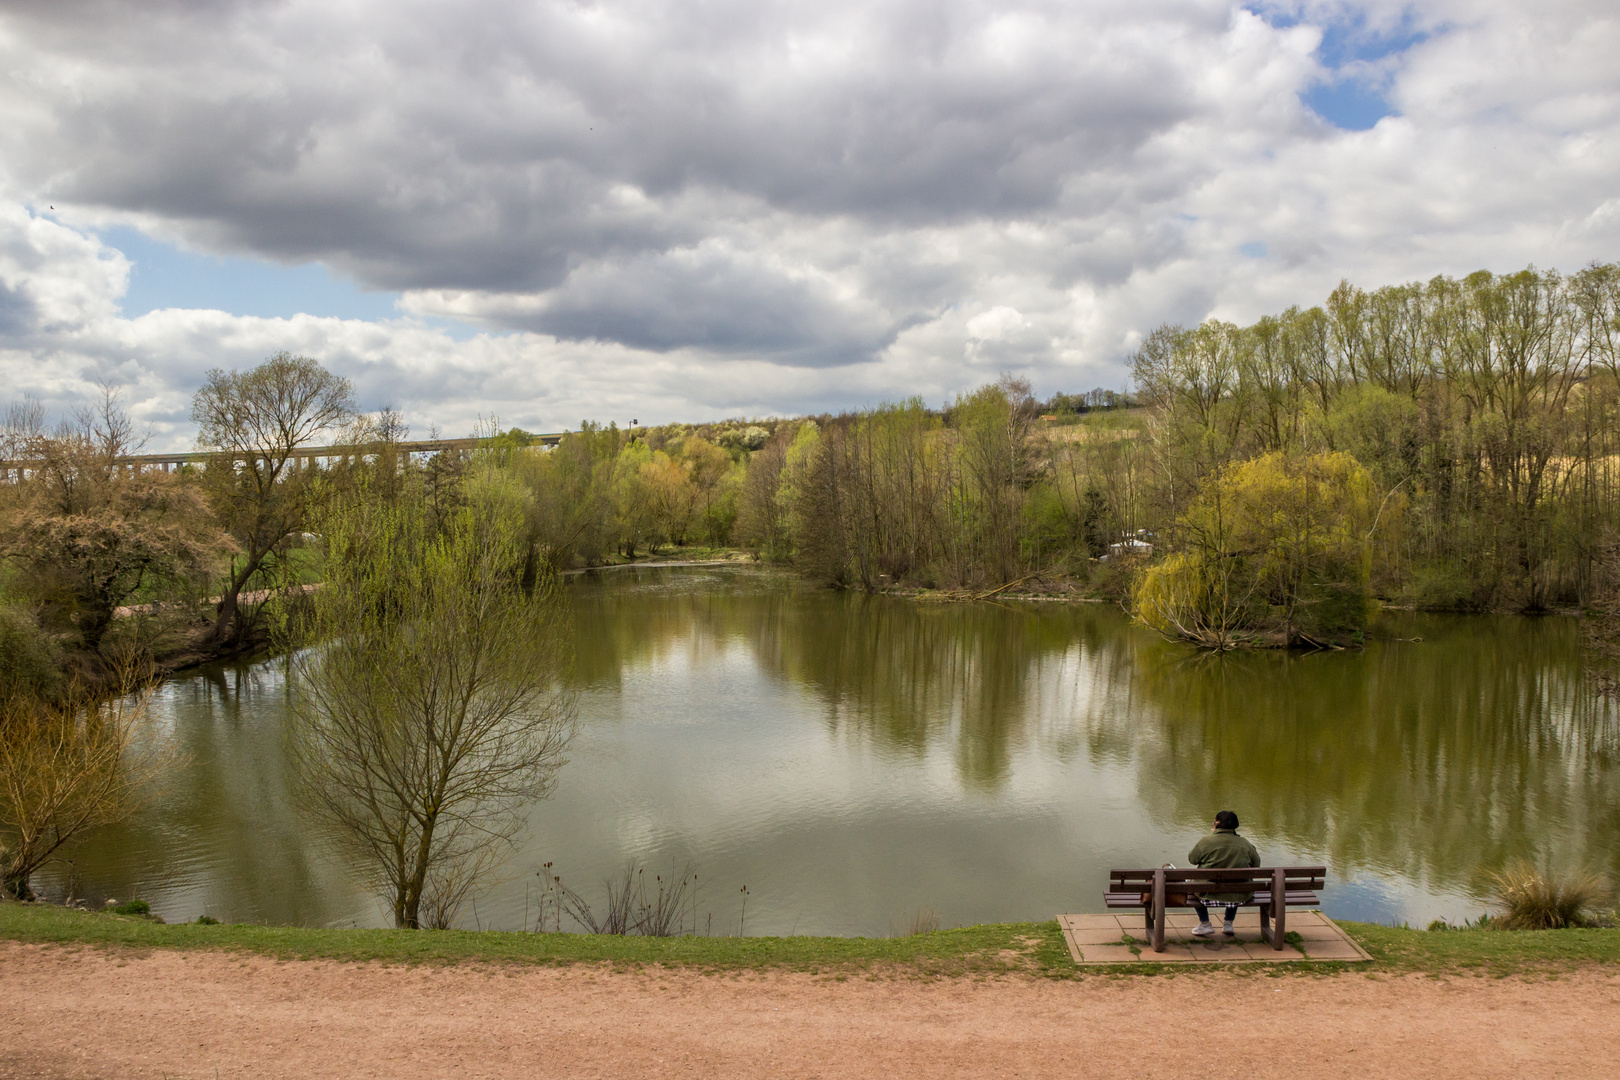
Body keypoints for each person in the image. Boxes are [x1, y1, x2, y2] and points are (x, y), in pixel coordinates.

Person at [1187, 810, 1259, 938]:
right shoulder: (1245, 843)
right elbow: (1256, 864)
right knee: (1235, 884)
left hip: (1207, 893)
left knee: (1192, 886)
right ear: (1235, 826)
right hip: (1239, 894)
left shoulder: (1206, 842)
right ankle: (1228, 923)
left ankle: (1205, 923)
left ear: (1217, 823)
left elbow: (1192, 859)